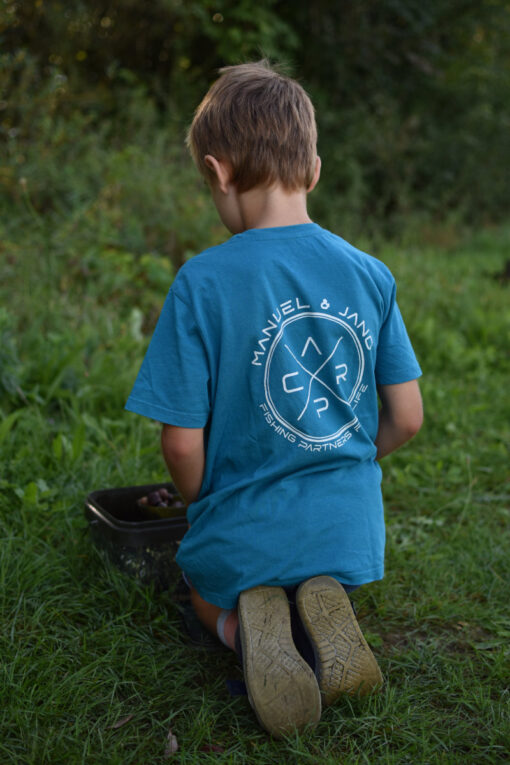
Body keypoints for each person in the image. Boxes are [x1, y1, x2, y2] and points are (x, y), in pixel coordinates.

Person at [125, 60, 423, 738]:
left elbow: (179, 441)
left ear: (218, 172)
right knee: (313, 571)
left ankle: (239, 627)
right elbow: (407, 416)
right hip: (347, 531)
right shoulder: (370, 274)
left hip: (242, 526)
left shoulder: (202, 283)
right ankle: (322, 617)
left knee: (201, 584)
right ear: (314, 171)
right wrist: (347, 454)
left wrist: (202, 501)